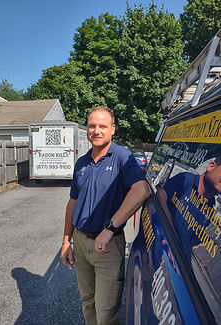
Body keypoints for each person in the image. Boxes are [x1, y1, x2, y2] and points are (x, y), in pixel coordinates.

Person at [60, 106, 150, 325]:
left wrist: (110, 229)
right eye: (92, 126)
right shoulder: (81, 163)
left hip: (107, 247)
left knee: (106, 313)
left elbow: (141, 190)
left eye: (102, 126)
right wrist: (66, 241)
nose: (96, 130)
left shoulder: (122, 157)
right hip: (81, 243)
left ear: (112, 129)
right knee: (88, 302)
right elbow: (73, 202)